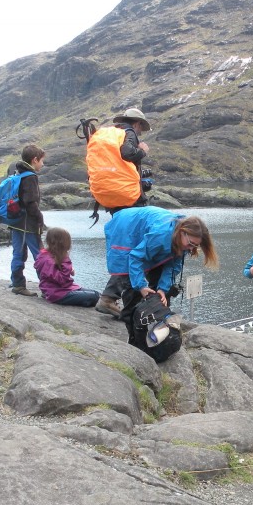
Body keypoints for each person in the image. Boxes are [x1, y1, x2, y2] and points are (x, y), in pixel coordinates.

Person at [103, 206, 218, 347]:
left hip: (147, 226)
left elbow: (172, 265)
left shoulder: (184, 241)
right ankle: (133, 336)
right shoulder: (161, 235)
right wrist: (141, 286)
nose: (192, 248)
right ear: (182, 232)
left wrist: (162, 289)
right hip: (125, 226)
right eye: (191, 244)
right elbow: (135, 258)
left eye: (196, 245)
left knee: (159, 290)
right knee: (129, 280)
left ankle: (156, 331)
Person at [94, 107, 153, 314]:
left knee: (125, 247)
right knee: (134, 250)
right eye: (141, 130)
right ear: (136, 123)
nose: (140, 134)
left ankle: (123, 300)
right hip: (129, 199)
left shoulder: (110, 135)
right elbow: (128, 153)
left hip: (113, 198)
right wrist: (143, 151)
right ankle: (111, 298)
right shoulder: (128, 134)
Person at [8, 144, 46, 297]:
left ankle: (17, 284)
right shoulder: (30, 177)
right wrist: (40, 219)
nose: (43, 164)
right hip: (28, 224)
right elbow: (31, 202)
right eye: (42, 161)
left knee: (18, 253)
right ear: (35, 160)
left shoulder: (17, 173)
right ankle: (47, 287)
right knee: (40, 255)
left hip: (15, 221)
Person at [33, 227, 100, 307]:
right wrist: (67, 265)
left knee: (96, 293)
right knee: (94, 296)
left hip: (61, 289)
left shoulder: (47, 255)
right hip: (57, 293)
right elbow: (62, 280)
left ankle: (82, 301)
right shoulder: (47, 260)